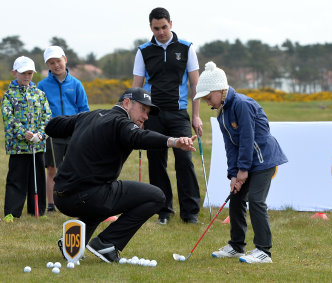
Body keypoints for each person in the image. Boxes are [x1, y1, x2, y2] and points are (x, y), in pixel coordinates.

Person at [45, 87, 197, 263]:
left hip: (62, 196)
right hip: (88, 196)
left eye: (148, 113)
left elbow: (52, 127)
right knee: (156, 196)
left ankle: (73, 242)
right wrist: (173, 141)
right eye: (143, 109)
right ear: (126, 103)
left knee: (104, 196)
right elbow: (140, 137)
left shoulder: (89, 116)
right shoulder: (121, 123)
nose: (146, 117)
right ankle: (106, 243)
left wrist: (79, 124)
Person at [194, 62, 288, 264]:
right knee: (236, 198)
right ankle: (236, 246)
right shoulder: (222, 113)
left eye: (209, 97)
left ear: (220, 90)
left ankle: (264, 251)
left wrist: (243, 170)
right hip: (247, 163)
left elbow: (246, 139)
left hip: (264, 160)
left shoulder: (242, 105)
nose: (208, 103)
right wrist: (233, 174)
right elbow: (231, 146)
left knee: (255, 200)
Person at [132, 7, 202, 224]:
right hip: (153, 115)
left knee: (184, 160)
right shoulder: (143, 51)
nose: (161, 32)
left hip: (179, 114)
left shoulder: (187, 48)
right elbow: (137, 87)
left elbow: (195, 85)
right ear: (150, 27)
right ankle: (163, 210)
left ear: (171, 24)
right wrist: (137, 117)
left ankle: (190, 213)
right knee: (156, 161)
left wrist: (196, 116)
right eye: (156, 28)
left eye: (164, 27)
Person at [38, 46, 89, 213]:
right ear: (48, 65)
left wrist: (83, 128)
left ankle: (76, 200)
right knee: (52, 169)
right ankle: (52, 204)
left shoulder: (76, 84)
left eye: (58, 61)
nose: (56, 65)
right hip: (52, 132)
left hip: (74, 130)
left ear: (65, 60)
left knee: (75, 167)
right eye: (51, 63)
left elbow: (83, 108)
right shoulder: (42, 85)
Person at [1, 56, 52, 222]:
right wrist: (24, 133)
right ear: (14, 73)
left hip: (37, 146)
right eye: (23, 73)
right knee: (16, 179)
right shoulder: (9, 96)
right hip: (18, 146)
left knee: (37, 178)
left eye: (30, 73)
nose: (26, 76)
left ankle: (37, 211)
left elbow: (47, 117)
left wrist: (40, 134)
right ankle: (11, 213)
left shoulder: (40, 94)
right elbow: (9, 119)